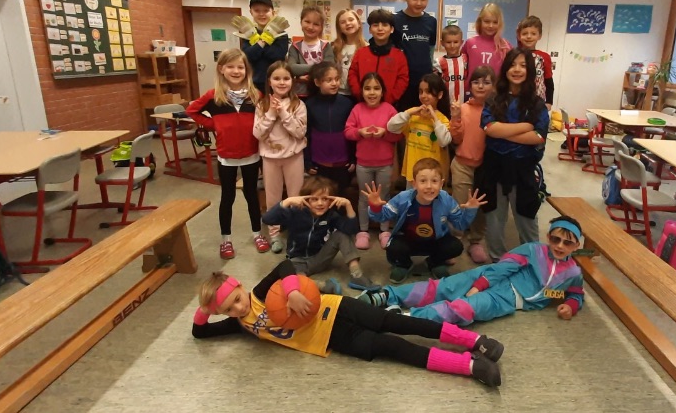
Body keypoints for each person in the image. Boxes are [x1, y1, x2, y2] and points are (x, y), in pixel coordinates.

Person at [192, 259, 503, 387]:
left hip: (337, 307)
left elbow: (285, 265)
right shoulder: (239, 324)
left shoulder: (260, 292)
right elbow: (199, 332)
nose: (238, 307)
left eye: (236, 298)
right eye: (228, 309)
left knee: (398, 322)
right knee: (391, 347)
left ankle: (473, 341)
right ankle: (469, 366)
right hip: (331, 339)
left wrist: (292, 292)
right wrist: (206, 308)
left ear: (239, 286)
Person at [356, 216, 585, 326]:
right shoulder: (533, 249)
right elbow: (503, 268)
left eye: (567, 242)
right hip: (490, 276)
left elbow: (575, 294)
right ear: (548, 237)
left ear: (576, 245)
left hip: (506, 299)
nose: (560, 246)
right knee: (444, 287)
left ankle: (405, 319)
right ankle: (387, 295)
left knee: (464, 308)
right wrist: (479, 285)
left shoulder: (574, 272)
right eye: (555, 239)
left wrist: (569, 305)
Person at [186, 48, 265, 258]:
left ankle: (257, 234)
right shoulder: (213, 96)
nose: (236, 71)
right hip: (226, 156)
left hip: (251, 154)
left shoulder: (255, 95)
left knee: (251, 195)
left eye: (240, 67)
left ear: (246, 70)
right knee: (227, 197)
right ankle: (226, 240)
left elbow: (265, 118)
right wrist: (213, 124)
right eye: (230, 66)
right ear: (221, 69)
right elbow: (191, 111)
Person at [475, 48, 549, 261]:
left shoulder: (536, 103)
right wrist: (526, 126)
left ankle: (533, 261)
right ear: (506, 68)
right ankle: (498, 261)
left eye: (523, 65)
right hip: (494, 167)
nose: (517, 70)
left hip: (523, 169)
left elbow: (539, 137)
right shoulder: (494, 98)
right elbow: (489, 128)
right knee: (494, 219)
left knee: (526, 217)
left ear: (530, 71)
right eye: (513, 65)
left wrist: (503, 132)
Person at [364, 158, 485, 283]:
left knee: (456, 246)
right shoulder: (402, 198)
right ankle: (404, 264)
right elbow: (381, 217)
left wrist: (470, 210)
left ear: (441, 184)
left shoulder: (446, 200)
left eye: (434, 181)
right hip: (407, 240)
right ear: (414, 184)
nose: (429, 186)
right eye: (423, 181)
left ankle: (434, 262)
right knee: (393, 247)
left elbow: (460, 224)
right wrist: (375, 206)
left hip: (435, 241)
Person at [262, 175, 377, 291]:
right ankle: (323, 286)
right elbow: (267, 219)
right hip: (296, 261)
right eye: (315, 199)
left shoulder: (331, 215)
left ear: (331, 200)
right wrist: (287, 201)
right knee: (286, 277)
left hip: (320, 259)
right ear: (306, 199)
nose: (320, 203)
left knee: (342, 234)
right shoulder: (295, 213)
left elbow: (351, 230)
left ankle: (357, 276)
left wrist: (348, 205)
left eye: (325, 199)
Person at [253, 61, 307, 254]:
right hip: (270, 159)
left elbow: (300, 133)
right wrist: (271, 113)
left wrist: (283, 113)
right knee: (273, 198)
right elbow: (258, 133)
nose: (282, 82)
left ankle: (296, 233)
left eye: (286, 78)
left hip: (293, 157)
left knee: (295, 198)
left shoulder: (298, 105)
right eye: (277, 78)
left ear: (292, 81)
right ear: (269, 81)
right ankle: (274, 234)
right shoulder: (262, 105)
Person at [344, 72, 402, 251]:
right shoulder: (357, 109)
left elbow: (398, 134)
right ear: (361, 91)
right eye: (367, 88)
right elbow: (348, 131)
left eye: (376, 88)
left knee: (384, 197)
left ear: (382, 91)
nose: (372, 92)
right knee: (364, 198)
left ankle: (385, 231)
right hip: (363, 164)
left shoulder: (389, 110)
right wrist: (359, 132)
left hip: (385, 164)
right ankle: (363, 231)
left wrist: (385, 133)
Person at [449, 66, 495, 263]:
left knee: (481, 206)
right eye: (476, 82)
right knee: (459, 204)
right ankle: (454, 239)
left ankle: (475, 241)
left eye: (486, 82)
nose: (481, 86)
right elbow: (456, 138)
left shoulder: (496, 110)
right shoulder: (464, 109)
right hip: (462, 164)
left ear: (494, 86)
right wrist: (455, 117)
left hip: (486, 168)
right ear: (470, 86)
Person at [387, 74, 451, 185]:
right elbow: (391, 127)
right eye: (421, 92)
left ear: (440, 95)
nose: (423, 96)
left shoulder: (442, 119)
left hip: (432, 177)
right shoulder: (412, 114)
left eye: (428, 92)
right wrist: (409, 113)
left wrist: (434, 118)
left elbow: (444, 141)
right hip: (412, 175)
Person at [390, 0, 438, 115]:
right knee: (405, 118)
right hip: (403, 81)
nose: (419, 3)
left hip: (424, 82)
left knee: (424, 118)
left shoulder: (431, 21)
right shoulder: (395, 20)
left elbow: (431, 50)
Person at [304, 61, 355, 198]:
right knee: (322, 198)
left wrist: (353, 159)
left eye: (337, 79)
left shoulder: (347, 103)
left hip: (343, 163)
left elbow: (352, 134)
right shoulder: (309, 104)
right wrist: (307, 162)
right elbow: (307, 135)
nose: (334, 83)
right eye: (329, 80)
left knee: (341, 198)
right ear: (317, 82)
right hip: (320, 163)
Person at [347, 8, 408, 105]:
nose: (380, 28)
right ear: (370, 30)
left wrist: (390, 99)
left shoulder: (398, 55)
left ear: (392, 29)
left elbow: (403, 79)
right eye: (375, 25)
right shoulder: (361, 53)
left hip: (389, 105)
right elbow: (352, 74)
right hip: (363, 103)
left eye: (385, 25)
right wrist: (360, 94)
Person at [234, 0, 290, 94]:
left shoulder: (281, 33)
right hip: (254, 83)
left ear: (273, 12)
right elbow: (247, 56)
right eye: (257, 10)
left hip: (277, 83)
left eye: (266, 10)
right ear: (251, 12)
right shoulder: (248, 33)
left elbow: (277, 55)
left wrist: (258, 45)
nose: (261, 14)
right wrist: (263, 41)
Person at [287, 6, 334, 97]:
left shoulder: (326, 46)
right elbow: (291, 68)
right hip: (300, 93)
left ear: (321, 27)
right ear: (301, 22)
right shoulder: (295, 47)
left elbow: (328, 68)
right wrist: (317, 67)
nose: (311, 27)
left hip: (321, 93)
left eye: (316, 24)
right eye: (307, 22)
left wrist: (303, 72)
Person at [461, 3, 511, 89]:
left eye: (495, 22)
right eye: (487, 21)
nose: (491, 26)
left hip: (496, 92)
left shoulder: (505, 46)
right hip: (471, 91)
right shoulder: (470, 43)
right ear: (480, 22)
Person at [516, 15, 555, 108]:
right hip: (517, 99)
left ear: (539, 36)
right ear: (519, 36)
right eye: (524, 33)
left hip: (538, 101)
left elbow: (549, 81)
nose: (529, 36)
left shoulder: (544, 57)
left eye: (533, 34)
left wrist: (549, 102)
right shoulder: (515, 55)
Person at [331, 9, 367, 100]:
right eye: (343, 22)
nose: (347, 23)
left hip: (358, 95)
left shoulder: (366, 48)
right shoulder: (334, 47)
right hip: (337, 93)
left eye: (351, 19)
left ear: (359, 23)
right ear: (339, 28)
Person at [439, 25, 468, 107]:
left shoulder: (467, 59)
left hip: (465, 105)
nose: (452, 46)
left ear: (461, 42)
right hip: (446, 106)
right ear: (442, 43)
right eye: (448, 42)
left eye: (455, 42)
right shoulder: (438, 63)